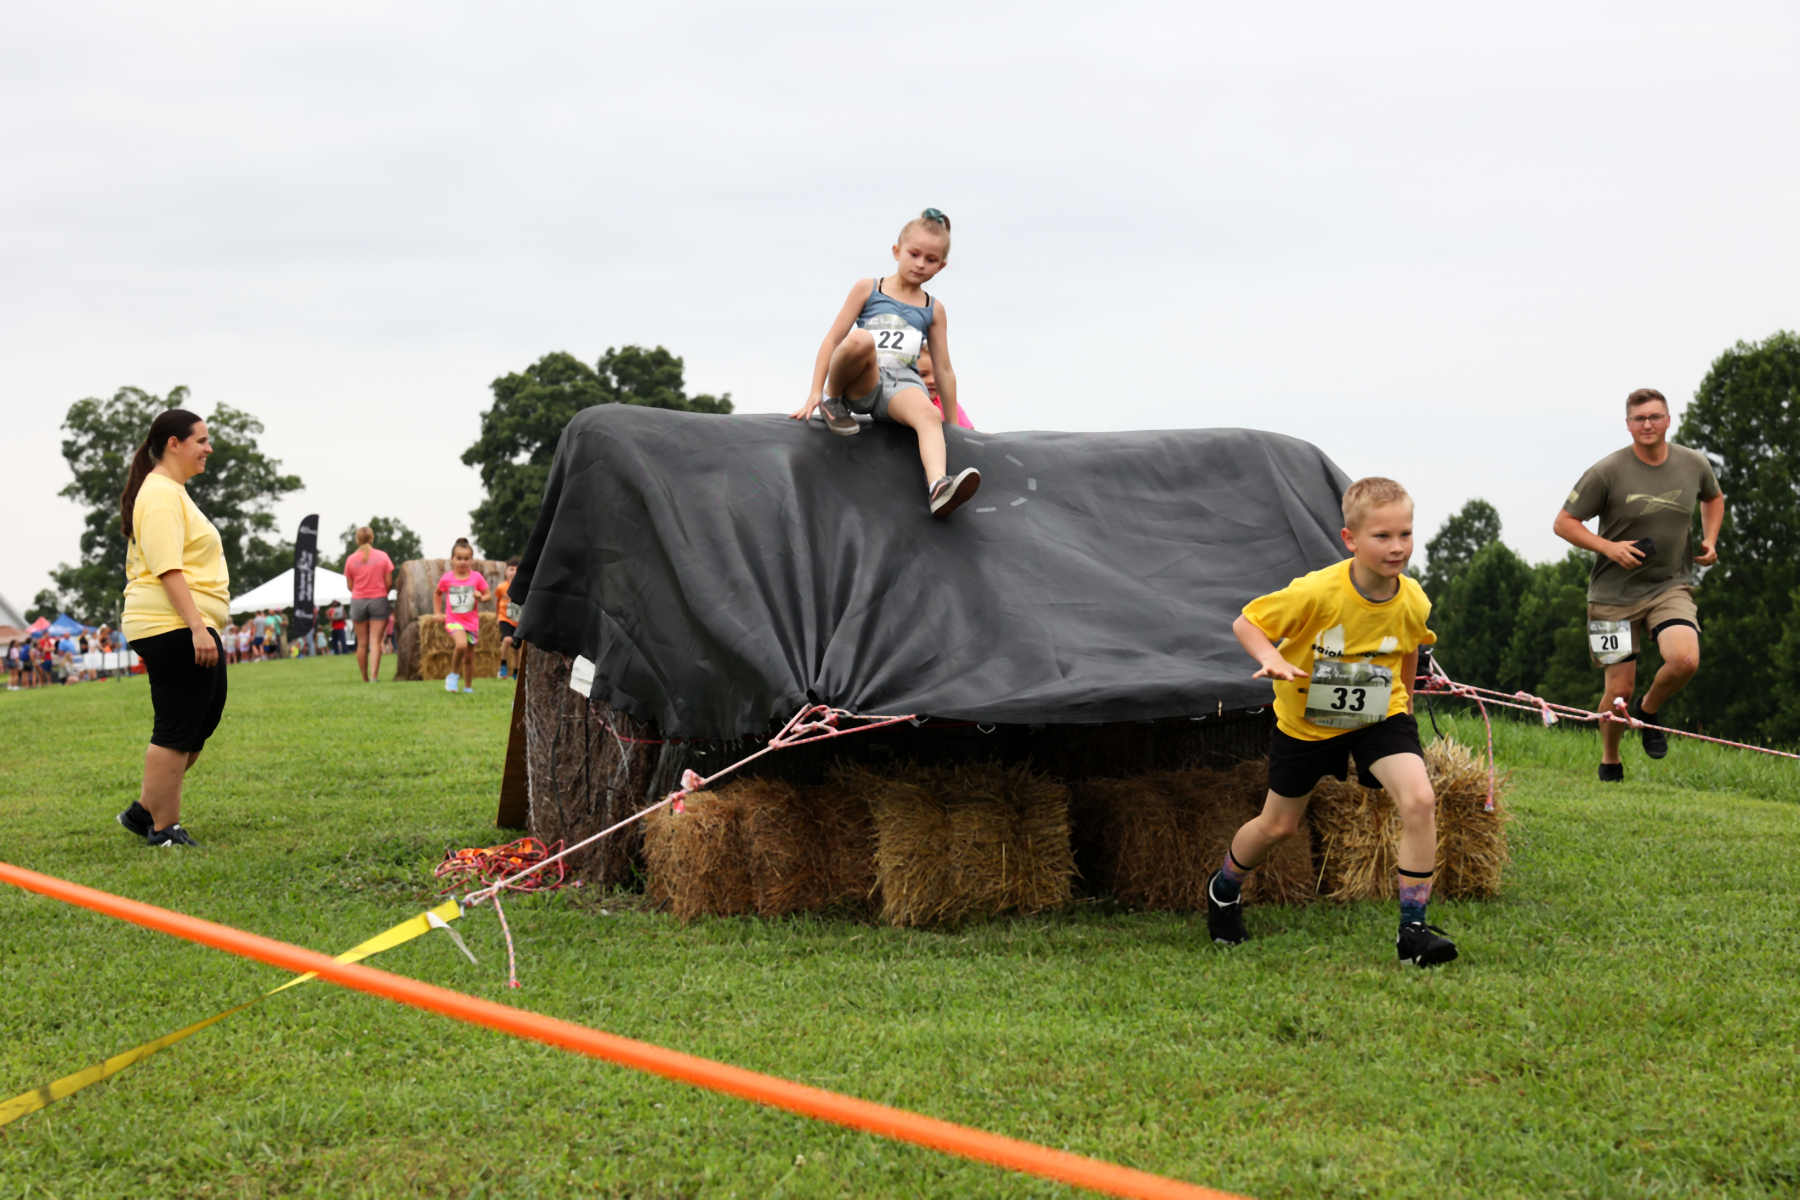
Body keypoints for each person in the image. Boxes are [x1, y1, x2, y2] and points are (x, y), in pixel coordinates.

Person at [1209, 477, 1457, 968]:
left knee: (1420, 800)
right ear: (1350, 539)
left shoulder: (1412, 598)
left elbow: (1410, 647)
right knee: (1279, 826)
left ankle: (1412, 931)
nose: (1397, 547)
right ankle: (1224, 888)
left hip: (1379, 716)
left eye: (1405, 534)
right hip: (1307, 724)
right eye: (1382, 536)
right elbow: (1247, 623)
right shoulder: (1318, 591)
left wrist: (1405, 708)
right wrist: (1271, 658)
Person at [1553, 388, 1725, 780]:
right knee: (1618, 692)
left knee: (1685, 660)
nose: (1648, 424)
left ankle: (1649, 709)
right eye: (1639, 418)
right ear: (1628, 425)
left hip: (1669, 587)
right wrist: (1608, 547)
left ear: (1668, 420)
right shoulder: (1606, 472)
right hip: (1611, 597)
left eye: (1655, 416)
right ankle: (1610, 757)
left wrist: (1711, 539)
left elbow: (1713, 498)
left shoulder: (1693, 463)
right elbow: (1563, 523)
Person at [789, 208, 981, 518]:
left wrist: (955, 427)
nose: (920, 264)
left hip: (902, 384)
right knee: (860, 339)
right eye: (914, 254)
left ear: (941, 266)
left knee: (929, 415)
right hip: (864, 378)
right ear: (896, 251)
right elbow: (833, 339)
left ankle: (938, 487)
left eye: (931, 259)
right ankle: (832, 401)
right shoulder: (868, 288)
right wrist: (816, 391)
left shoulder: (934, 309)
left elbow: (944, 370)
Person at [113, 407, 230, 849]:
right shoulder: (160, 493)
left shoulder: (171, 492)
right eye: (201, 440)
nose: (208, 448)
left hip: (184, 622)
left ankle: (145, 809)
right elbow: (168, 568)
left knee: (200, 721)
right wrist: (197, 627)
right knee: (178, 727)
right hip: (171, 623)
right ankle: (164, 829)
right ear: (173, 444)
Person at [434, 538, 490, 694]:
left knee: (469, 658)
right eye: (459, 558)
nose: (462, 562)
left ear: (471, 560)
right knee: (461, 645)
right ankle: (453, 676)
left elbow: (488, 595)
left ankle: (467, 687)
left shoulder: (476, 577)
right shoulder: (447, 578)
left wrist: (480, 597)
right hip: (454, 620)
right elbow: (437, 594)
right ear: (452, 559)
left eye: (466, 558)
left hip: (471, 622)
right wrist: (437, 612)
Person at [343, 525, 395, 682]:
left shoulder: (351, 559)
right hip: (378, 600)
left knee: (361, 643)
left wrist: (360, 593)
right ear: (372, 538)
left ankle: (364, 678)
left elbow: (350, 586)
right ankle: (374, 676)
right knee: (375, 640)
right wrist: (382, 594)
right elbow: (389, 582)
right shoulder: (383, 556)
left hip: (358, 601)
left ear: (357, 540)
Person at [917, 344, 974, 430]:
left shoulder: (947, 403)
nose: (932, 381)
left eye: (937, 376)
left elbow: (969, 433)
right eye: (923, 375)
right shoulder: (905, 405)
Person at [496, 557, 520, 679]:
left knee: (517, 650)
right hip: (504, 618)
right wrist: (497, 616)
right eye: (511, 569)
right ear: (506, 572)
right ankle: (503, 665)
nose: (514, 572)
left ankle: (516, 671)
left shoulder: (524, 589)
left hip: (518, 621)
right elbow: (498, 601)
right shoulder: (501, 588)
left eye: (517, 570)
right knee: (507, 639)